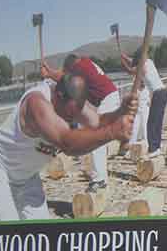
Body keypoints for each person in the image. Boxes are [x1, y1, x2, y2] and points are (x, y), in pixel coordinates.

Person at [0, 75, 135, 221]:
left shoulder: (72, 103)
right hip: (2, 169)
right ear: (59, 96)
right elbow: (67, 143)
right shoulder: (36, 104)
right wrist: (112, 132)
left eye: (77, 112)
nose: (73, 118)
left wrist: (121, 111)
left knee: (41, 234)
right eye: (70, 113)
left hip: (28, 176)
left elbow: (98, 122)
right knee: (10, 233)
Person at [42, 54, 120, 192]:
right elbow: (63, 76)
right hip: (110, 98)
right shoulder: (85, 63)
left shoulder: (80, 67)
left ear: (71, 66)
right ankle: (101, 177)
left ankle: (99, 180)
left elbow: (64, 79)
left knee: (96, 139)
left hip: (108, 99)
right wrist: (50, 72)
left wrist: (49, 74)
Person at [120, 51, 167, 158]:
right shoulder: (149, 61)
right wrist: (125, 57)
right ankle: (156, 147)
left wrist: (123, 62)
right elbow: (133, 61)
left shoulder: (141, 67)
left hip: (158, 94)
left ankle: (154, 149)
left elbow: (130, 71)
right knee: (157, 122)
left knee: (151, 123)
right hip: (163, 92)